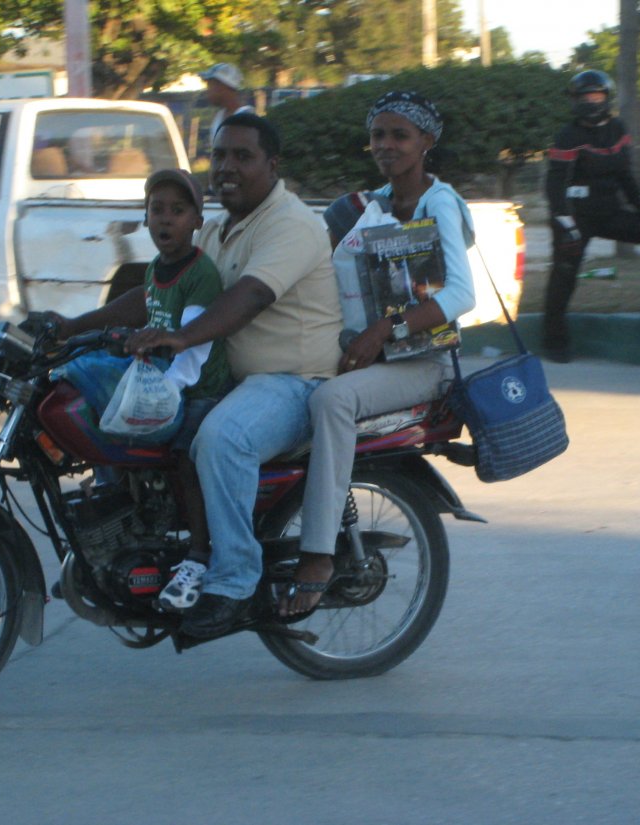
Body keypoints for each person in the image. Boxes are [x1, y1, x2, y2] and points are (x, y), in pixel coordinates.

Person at [127, 113, 343, 638]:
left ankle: (233, 581)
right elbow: (161, 292)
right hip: (232, 382)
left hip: (292, 382)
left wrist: (183, 336)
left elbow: (248, 296)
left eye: (242, 157)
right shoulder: (223, 228)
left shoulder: (290, 224)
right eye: (219, 156)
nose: (226, 167)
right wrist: (72, 326)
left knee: (221, 439)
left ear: (272, 164)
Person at [276, 90, 475, 617]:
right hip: (375, 355)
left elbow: (460, 295)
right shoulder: (378, 203)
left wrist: (384, 330)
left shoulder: (439, 203)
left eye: (399, 136)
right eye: (378, 135)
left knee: (332, 403)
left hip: (419, 365)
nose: (386, 145)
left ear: (426, 142)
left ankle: (317, 554)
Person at [50, 169, 231, 609]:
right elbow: (147, 319)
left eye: (177, 210)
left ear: (196, 220)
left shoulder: (199, 272)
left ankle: (199, 555)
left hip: (197, 390)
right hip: (165, 381)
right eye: (157, 210)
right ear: (145, 218)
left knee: (185, 457)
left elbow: (195, 347)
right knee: (109, 432)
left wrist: (162, 393)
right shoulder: (156, 269)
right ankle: (115, 543)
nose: (166, 220)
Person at [543, 69, 640, 363]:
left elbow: (627, 179)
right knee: (564, 275)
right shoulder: (568, 135)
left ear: (606, 98)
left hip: (609, 211)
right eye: (585, 96)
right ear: (575, 100)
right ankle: (554, 341)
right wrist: (564, 221)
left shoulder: (618, 129)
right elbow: (554, 184)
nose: (591, 101)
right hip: (575, 216)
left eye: (596, 96)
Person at [200, 63, 254, 150]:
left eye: (210, 86)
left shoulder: (246, 119)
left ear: (221, 87)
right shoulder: (219, 116)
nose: (207, 92)